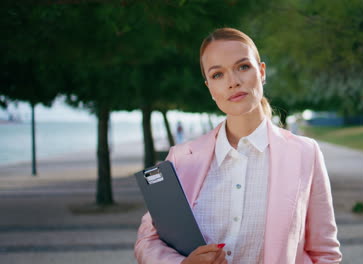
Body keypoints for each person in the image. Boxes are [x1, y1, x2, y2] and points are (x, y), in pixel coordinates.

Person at [135, 27, 342, 264]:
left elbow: (325, 253)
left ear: (261, 72)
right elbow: (147, 241)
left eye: (243, 67)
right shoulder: (181, 158)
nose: (232, 82)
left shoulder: (305, 153)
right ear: (209, 88)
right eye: (218, 75)